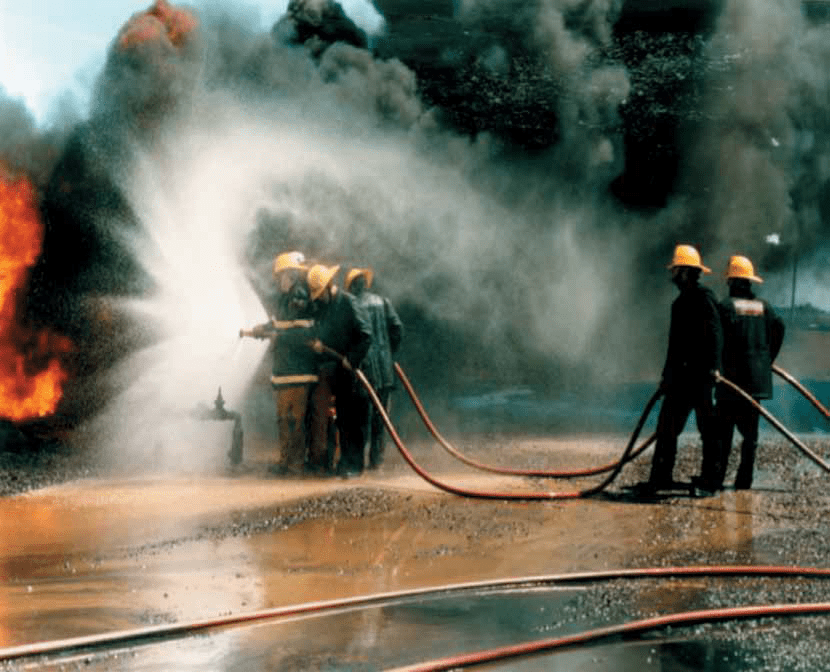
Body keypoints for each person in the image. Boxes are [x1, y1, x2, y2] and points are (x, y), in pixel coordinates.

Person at [637, 244, 723, 496]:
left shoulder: (704, 297)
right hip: (680, 379)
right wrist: (666, 377)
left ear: (685, 272)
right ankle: (661, 478)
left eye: (675, 271)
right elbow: (674, 347)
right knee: (666, 428)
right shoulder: (679, 303)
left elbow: (716, 334)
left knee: (709, 431)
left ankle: (710, 483)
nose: (672, 276)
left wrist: (715, 368)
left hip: (702, 378)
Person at [241, 251, 317, 476]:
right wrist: (261, 329)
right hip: (284, 371)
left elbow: (303, 334)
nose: (278, 281)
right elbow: (279, 324)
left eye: (280, 276)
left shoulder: (300, 298)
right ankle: (285, 462)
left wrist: (276, 336)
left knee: (296, 420)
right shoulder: (285, 300)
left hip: (298, 372)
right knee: (284, 420)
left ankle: (295, 464)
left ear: (291, 275)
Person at [713, 255, 785, 490]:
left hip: (730, 383)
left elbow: (716, 341)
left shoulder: (725, 307)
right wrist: (766, 359)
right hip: (754, 383)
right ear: (750, 282)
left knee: (723, 435)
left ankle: (717, 478)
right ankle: (744, 481)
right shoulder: (765, 308)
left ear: (732, 282)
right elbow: (780, 327)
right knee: (750, 437)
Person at [306, 264, 373, 478]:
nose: (317, 299)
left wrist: (351, 360)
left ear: (329, 286)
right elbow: (330, 335)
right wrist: (320, 345)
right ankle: (345, 465)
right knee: (344, 418)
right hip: (340, 373)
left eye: (319, 293)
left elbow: (366, 335)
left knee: (356, 420)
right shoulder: (326, 307)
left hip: (357, 370)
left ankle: (356, 466)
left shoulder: (349, 303)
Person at [345, 267, 404, 470]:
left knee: (362, 418)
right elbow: (397, 329)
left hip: (364, 372)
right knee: (381, 418)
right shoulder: (383, 302)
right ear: (366, 283)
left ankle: (359, 463)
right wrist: (389, 352)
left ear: (352, 286)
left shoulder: (352, 304)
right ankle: (376, 463)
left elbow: (354, 337)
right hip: (385, 372)